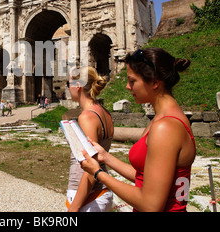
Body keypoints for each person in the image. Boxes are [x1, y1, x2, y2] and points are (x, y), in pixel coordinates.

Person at [81, 48, 195, 212]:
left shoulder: (165, 127)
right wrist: (105, 157)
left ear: (155, 82)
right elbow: (146, 177)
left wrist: (98, 173)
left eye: (132, 81)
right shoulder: (160, 119)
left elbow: (150, 205)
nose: (127, 86)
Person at [66, 66, 114, 212]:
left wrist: (74, 208)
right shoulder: (103, 111)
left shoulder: (87, 117)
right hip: (99, 191)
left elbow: (91, 167)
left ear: (78, 86)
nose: (68, 88)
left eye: (68, 84)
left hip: (88, 193)